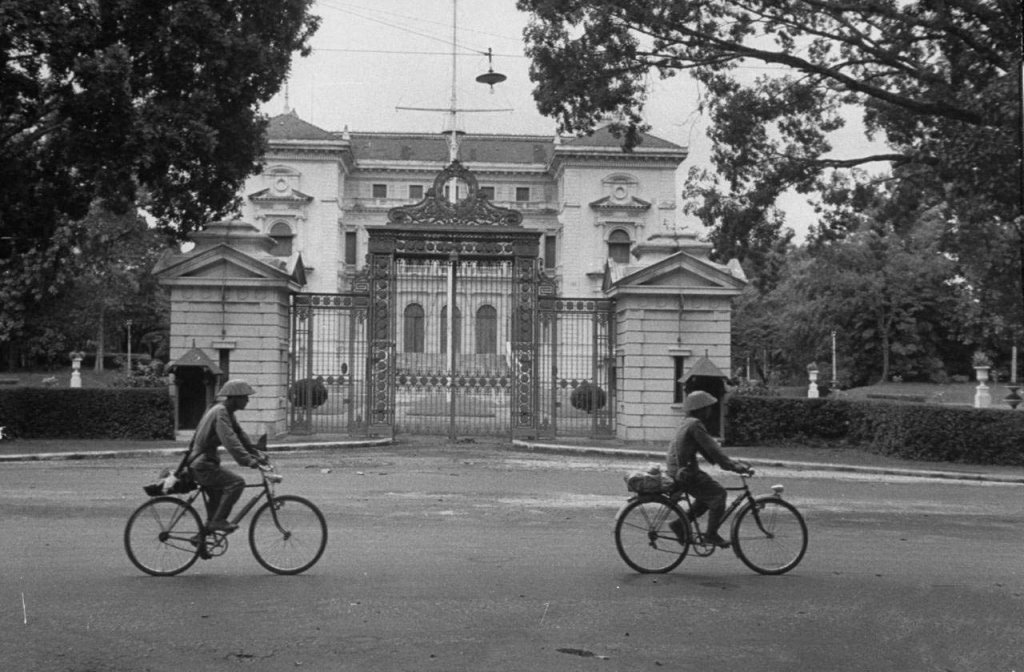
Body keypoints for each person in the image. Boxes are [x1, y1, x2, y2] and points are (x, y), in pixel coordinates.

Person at [666, 391, 750, 548]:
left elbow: (707, 450)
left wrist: (729, 463)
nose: (710, 411)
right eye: (708, 407)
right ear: (700, 408)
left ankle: (679, 524)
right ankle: (711, 535)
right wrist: (734, 467)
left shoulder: (687, 422)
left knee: (707, 497)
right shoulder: (695, 424)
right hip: (684, 472)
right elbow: (713, 451)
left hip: (678, 469)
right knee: (719, 494)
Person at [187, 379, 265, 533]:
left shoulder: (227, 411)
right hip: (202, 464)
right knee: (236, 483)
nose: (248, 400)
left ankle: (203, 536)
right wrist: (248, 461)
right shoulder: (221, 412)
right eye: (245, 397)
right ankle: (218, 521)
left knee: (217, 499)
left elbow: (240, 435)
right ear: (235, 398)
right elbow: (230, 439)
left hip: (204, 462)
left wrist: (256, 453)